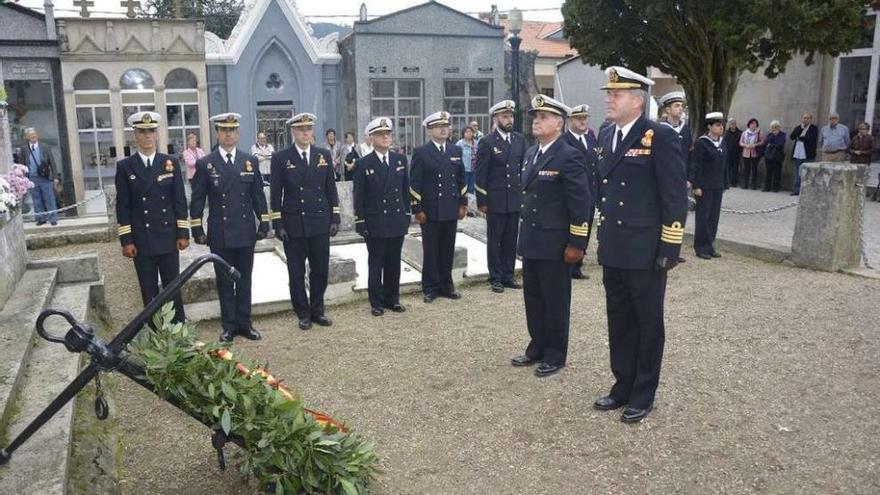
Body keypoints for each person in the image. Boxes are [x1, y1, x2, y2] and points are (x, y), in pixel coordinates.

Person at [592, 67, 688, 423]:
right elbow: (606, 191)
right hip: (615, 245)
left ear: (637, 100)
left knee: (647, 322)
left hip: (646, 249)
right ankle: (622, 385)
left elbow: (674, 195)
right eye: (609, 93)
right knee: (618, 319)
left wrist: (669, 248)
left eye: (616, 94)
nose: (608, 99)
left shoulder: (658, 136)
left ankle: (643, 393)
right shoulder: (606, 135)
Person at [510, 95, 590, 378]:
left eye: (543, 117)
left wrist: (577, 243)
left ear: (559, 123)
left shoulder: (569, 155)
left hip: (556, 244)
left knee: (555, 300)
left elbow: (581, 203)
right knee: (533, 297)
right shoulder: (533, 153)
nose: (536, 121)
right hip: (533, 239)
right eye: (535, 117)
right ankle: (537, 347)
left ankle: (555, 354)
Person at [190, 114, 269, 342]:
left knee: (245, 280)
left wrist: (263, 221)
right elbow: (197, 199)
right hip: (220, 232)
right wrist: (197, 228)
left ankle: (245, 323)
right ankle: (228, 326)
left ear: (238, 133)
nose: (228, 134)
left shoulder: (249, 161)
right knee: (224, 281)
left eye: (232, 130)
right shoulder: (206, 163)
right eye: (223, 130)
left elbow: (257, 196)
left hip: (245, 231)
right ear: (217, 133)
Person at [114, 111, 189, 323]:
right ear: (135, 135)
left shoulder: (170, 163)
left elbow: (179, 201)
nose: (147, 136)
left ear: (157, 135)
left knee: (173, 287)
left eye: (151, 131)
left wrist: (183, 232)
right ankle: (155, 335)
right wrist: (126, 240)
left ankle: (179, 332)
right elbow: (123, 206)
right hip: (141, 239)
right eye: (142, 132)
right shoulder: (125, 166)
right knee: (148, 290)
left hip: (167, 237)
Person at [271, 113, 340, 331]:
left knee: (320, 270)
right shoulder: (282, 158)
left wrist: (335, 216)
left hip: (319, 221)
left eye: (309, 129)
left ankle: (317, 310)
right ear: (293, 132)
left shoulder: (323, 155)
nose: (305, 133)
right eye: (301, 129)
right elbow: (275, 194)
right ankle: (302, 313)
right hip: (294, 224)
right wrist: (278, 224)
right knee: (297, 272)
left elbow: (331, 188)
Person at [353, 117, 410, 316]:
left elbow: (405, 191)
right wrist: (360, 221)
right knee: (376, 263)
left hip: (396, 220)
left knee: (394, 263)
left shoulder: (400, 160)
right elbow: (358, 195)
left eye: (388, 133)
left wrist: (407, 215)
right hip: (375, 221)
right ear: (371, 138)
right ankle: (376, 302)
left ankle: (392, 299)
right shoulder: (363, 163)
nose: (386, 137)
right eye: (380, 134)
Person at [409, 111, 467, 303]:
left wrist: (463, 203)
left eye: (446, 125)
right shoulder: (421, 152)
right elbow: (415, 183)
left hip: (450, 208)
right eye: (439, 126)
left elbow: (461, 180)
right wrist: (417, 209)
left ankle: (446, 285)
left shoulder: (454, 151)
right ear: (429, 131)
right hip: (431, 210)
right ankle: (430, 287)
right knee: (431, 250)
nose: (444, 129)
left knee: (447, 249)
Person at [474, 99, 526, 293]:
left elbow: (523, 169)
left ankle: (508, 274)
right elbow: (481, 174)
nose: (509, 119)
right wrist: (482, 201)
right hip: (495, 200)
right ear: (496, 118)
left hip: (514, 199)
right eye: (505, 116)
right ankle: (495, 277)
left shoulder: (520, 140)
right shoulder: (487, 142)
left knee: (511, 239)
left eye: (511, 115)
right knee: (495, 240)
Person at [560, 103, 599, 280]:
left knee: (586, 227)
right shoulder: (564, 141)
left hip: (590, 193)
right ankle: (568, 265)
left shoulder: (591, 139)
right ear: (570, 121)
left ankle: (578, 265)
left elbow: (596, 166)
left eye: (585, 118)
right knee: (571, 229)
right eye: (579, 119)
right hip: (572, 195)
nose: (583, 122)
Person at [658, 91, 691, 264]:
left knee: (680, 213)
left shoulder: (685, 129)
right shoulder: (660, 130)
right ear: (667, 110)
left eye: (681, 106)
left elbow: (689, 155)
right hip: (667, 177)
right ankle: (664, 248)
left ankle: (674, 249)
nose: (680, 109)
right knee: (667, 212)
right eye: (676, 106)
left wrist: (689, 178)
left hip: (681, 177)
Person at [692, 112, 727, 259]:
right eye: (717, 125)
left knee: (714, 217)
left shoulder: (722, 142)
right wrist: (696, 185)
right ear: (709, 126)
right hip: (704, 186)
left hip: (717, 185)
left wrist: (725, 182)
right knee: (703, 217)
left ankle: (710, 245)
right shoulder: (702, 143)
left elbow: (725, 164)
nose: (721, 128)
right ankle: (701, 247)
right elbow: (696, 165)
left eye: (721, 125)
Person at [20, 128, 59, 226]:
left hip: (45, 177)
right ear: (27, 137)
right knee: (36, 198)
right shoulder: (24, 149)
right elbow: (22, 164)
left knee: (49, 197)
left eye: (35, 134)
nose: (33, 136)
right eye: (31, 135)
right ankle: (40, 218)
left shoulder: (45, 147)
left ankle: (53, 218)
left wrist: (55, 177)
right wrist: (23, 178)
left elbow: (52, 162)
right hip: (32, 178)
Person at [789, 112, 818, 196]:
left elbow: (810, 139)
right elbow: (792, 137)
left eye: (807, 118)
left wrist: (801, 137)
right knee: (797, 172)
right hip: (798, 153)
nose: (805, 120)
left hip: (808, 153)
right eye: (804, 118)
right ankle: (796, 189)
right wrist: (800, 130)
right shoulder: (799, 127)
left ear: (810, 119)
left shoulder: (813, 128)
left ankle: (807, 190)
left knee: (808, 172)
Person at [739, 118, 764, 189]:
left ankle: (754, 184)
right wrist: (745, 145)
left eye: (755, 124)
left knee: (754, 169)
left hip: (755, 153)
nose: (753, 125)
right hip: (746, 153)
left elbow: (762, 142)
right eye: (752, 124)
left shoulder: (759, 133)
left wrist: (755, 144)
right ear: (749, 125)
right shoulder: (744, 133)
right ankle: (745, 184)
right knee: (746, 169)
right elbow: (740, 142)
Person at [763, 121, 786, 192]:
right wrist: (773, 136)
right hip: (768, 156)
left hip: (777, 156)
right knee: (768, 172)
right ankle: (767, 187)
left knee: (777, 172)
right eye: (772, 127)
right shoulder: (770, 134)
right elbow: (766, 141)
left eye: (775, 127)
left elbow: (780, 144)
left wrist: (771, 145)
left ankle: (776, 187)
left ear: (779, 127)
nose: (774, 128)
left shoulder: (783, 134)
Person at [456, 126, 478, 196]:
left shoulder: (476, 143)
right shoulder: (460, 144)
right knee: (464, 187)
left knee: (472, 188)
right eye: (467, 132)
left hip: (474, 169)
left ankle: (471, 204)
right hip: (464, 170)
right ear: (463, 133)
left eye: (470, 131)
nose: (469, 133)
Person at [723, 119, 743, 188]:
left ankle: (734, 182)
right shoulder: (726, 133)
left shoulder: (740, 133)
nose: (733, 125)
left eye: (734, 124)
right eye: (731, 124)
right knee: (728, 168)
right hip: (728, 153)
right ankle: (727, 182)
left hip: (736, 153)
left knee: (735, 168)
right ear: (729, 125)